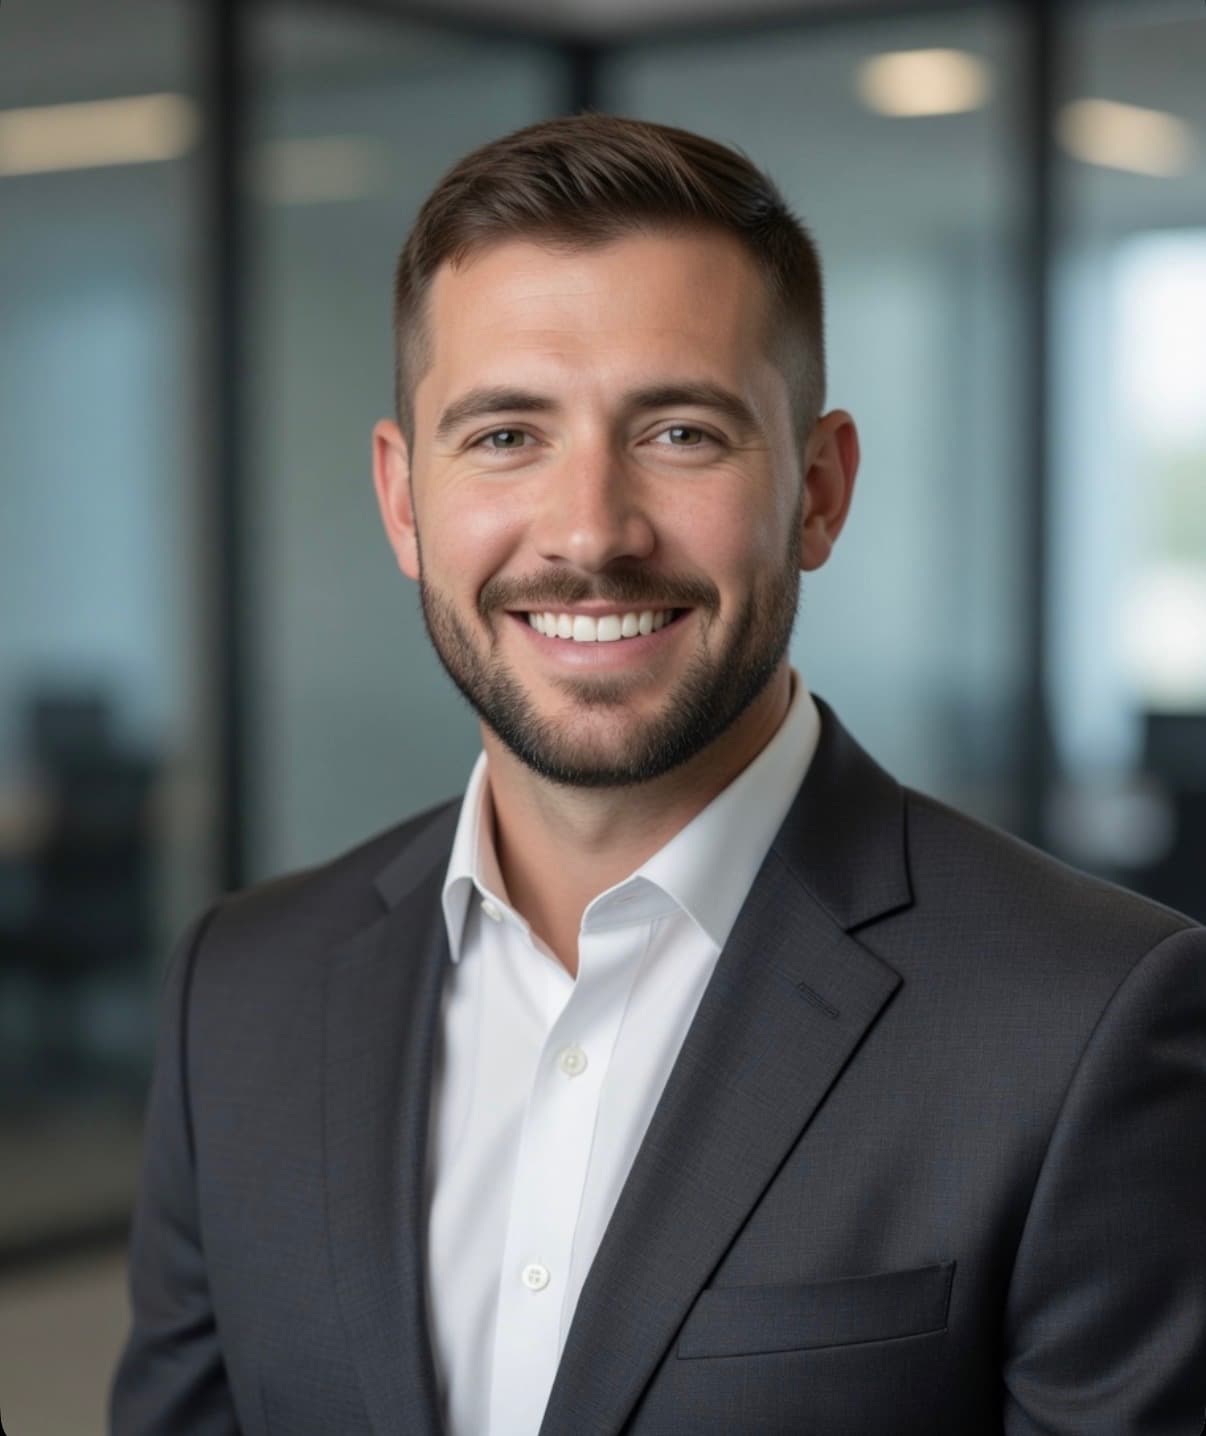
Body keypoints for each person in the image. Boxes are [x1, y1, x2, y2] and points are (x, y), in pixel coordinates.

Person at [110, 115, 1206, 1435]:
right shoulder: (238, 991)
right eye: (506, 436)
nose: (588, 533)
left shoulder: (1086, 1018)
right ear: (404, 502)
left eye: (680, 432)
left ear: (816, 488)